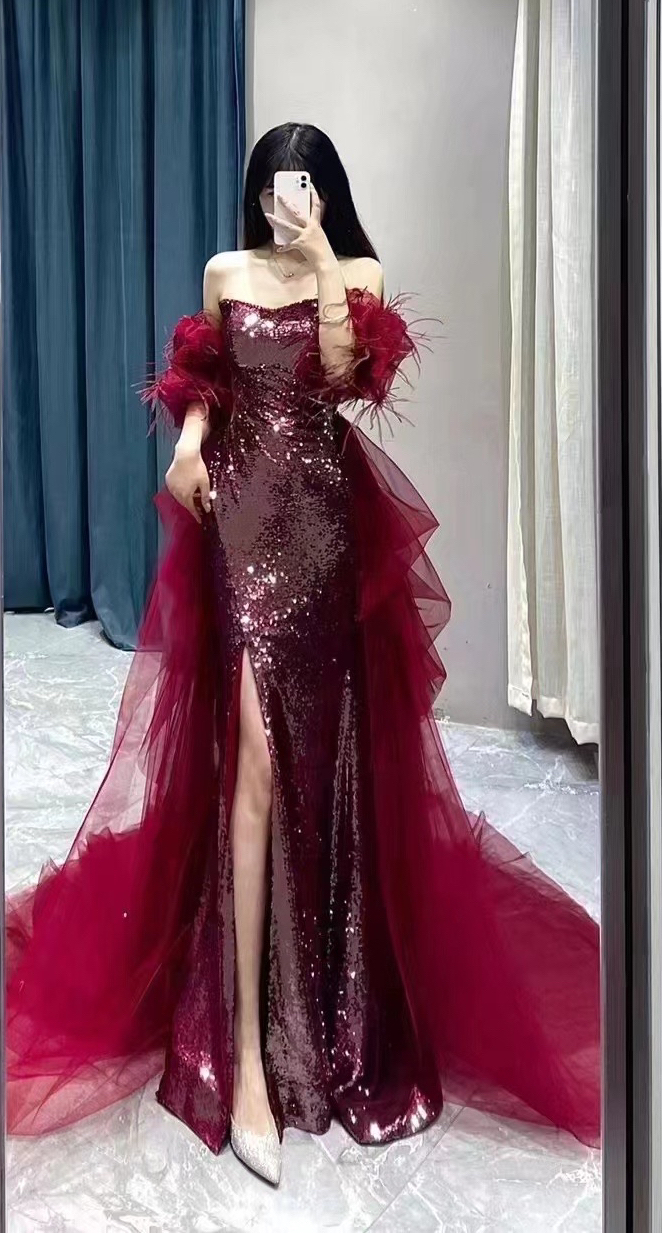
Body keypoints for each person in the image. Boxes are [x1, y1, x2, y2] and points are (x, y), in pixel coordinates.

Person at [6, 123, 600, 1188]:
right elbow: (208, 380)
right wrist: (190, 443)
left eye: (307, 181)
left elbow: (339, 372)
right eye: (277, 181)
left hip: (322, 528)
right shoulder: (224, 270)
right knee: (252, 763)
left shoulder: (354, 270)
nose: (288, 194)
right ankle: (244, 1057)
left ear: (324, 189)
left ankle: (322, 990)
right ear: (255, 188)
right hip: (238, 522)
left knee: (315, 761)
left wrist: (321, 250)